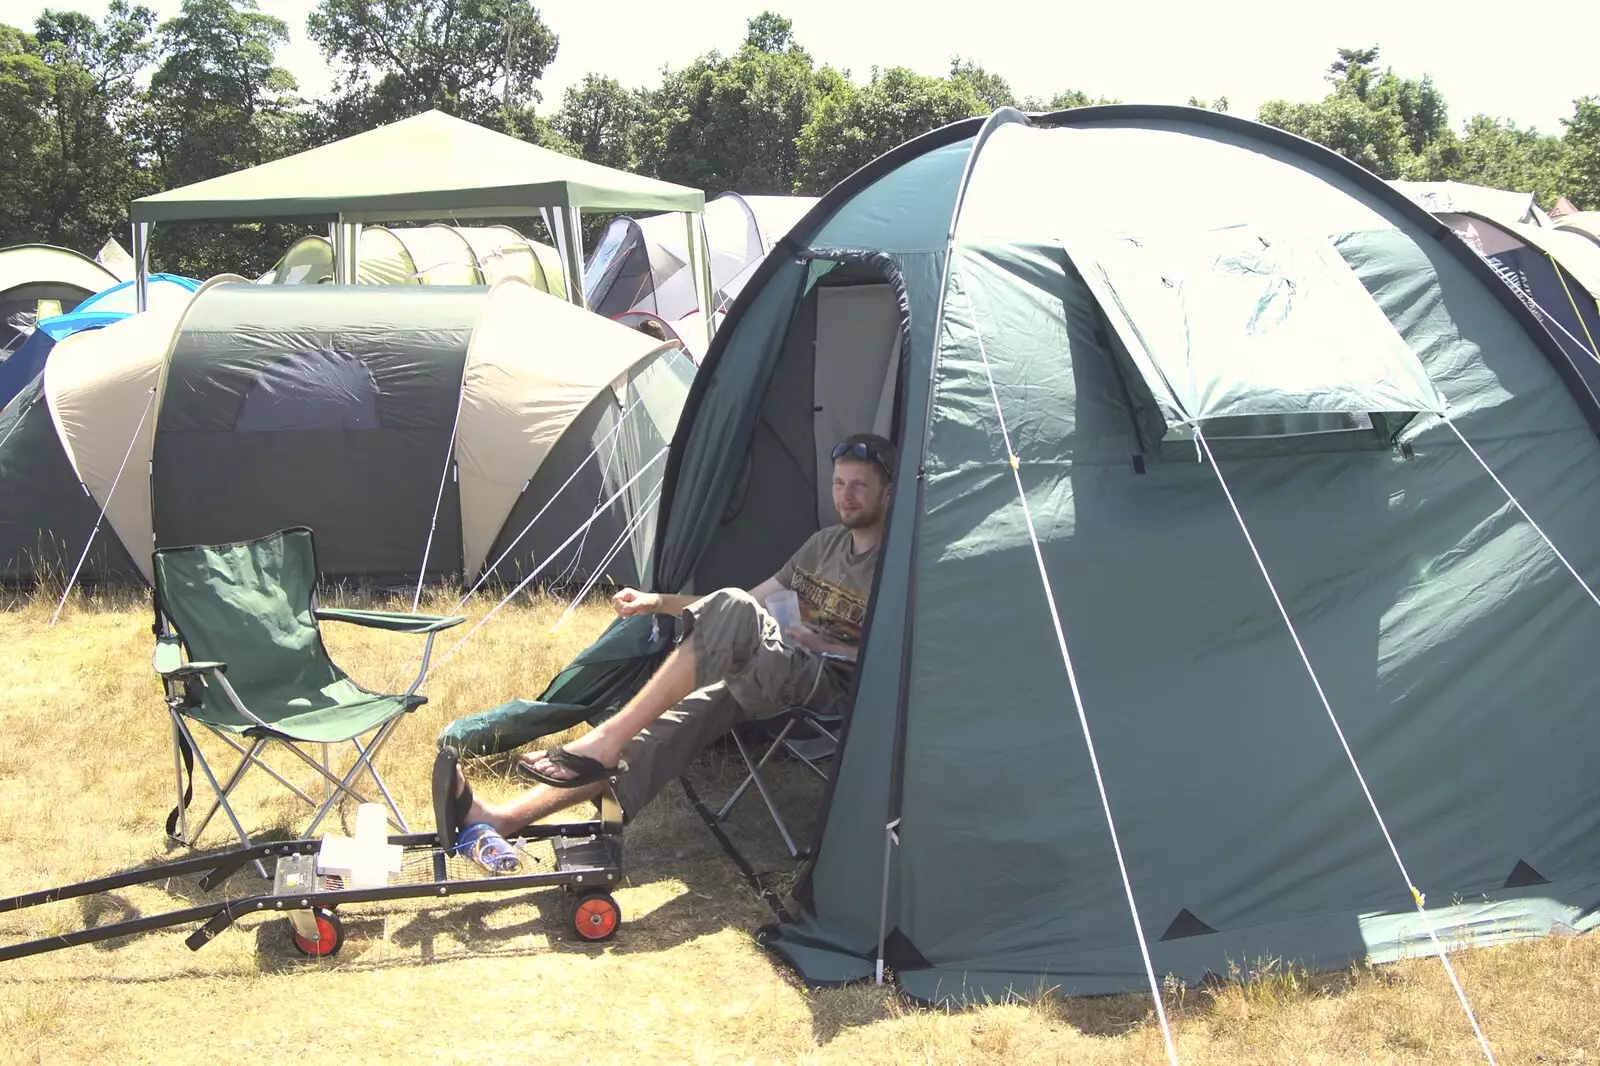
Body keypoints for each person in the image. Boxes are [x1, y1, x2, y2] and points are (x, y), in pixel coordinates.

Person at [436, 433, 896, 854]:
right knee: (660, 728)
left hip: (835, 683)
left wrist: (824, 643)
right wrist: (656, 601)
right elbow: (738, 604)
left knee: (730, 611)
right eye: (839, 483)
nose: (846, 495)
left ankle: (603, 740)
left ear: (888, 492)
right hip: (781, 665)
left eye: (859, 485)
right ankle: (502, 818)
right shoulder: (823, 546)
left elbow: (902, 662)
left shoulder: (896, 565)